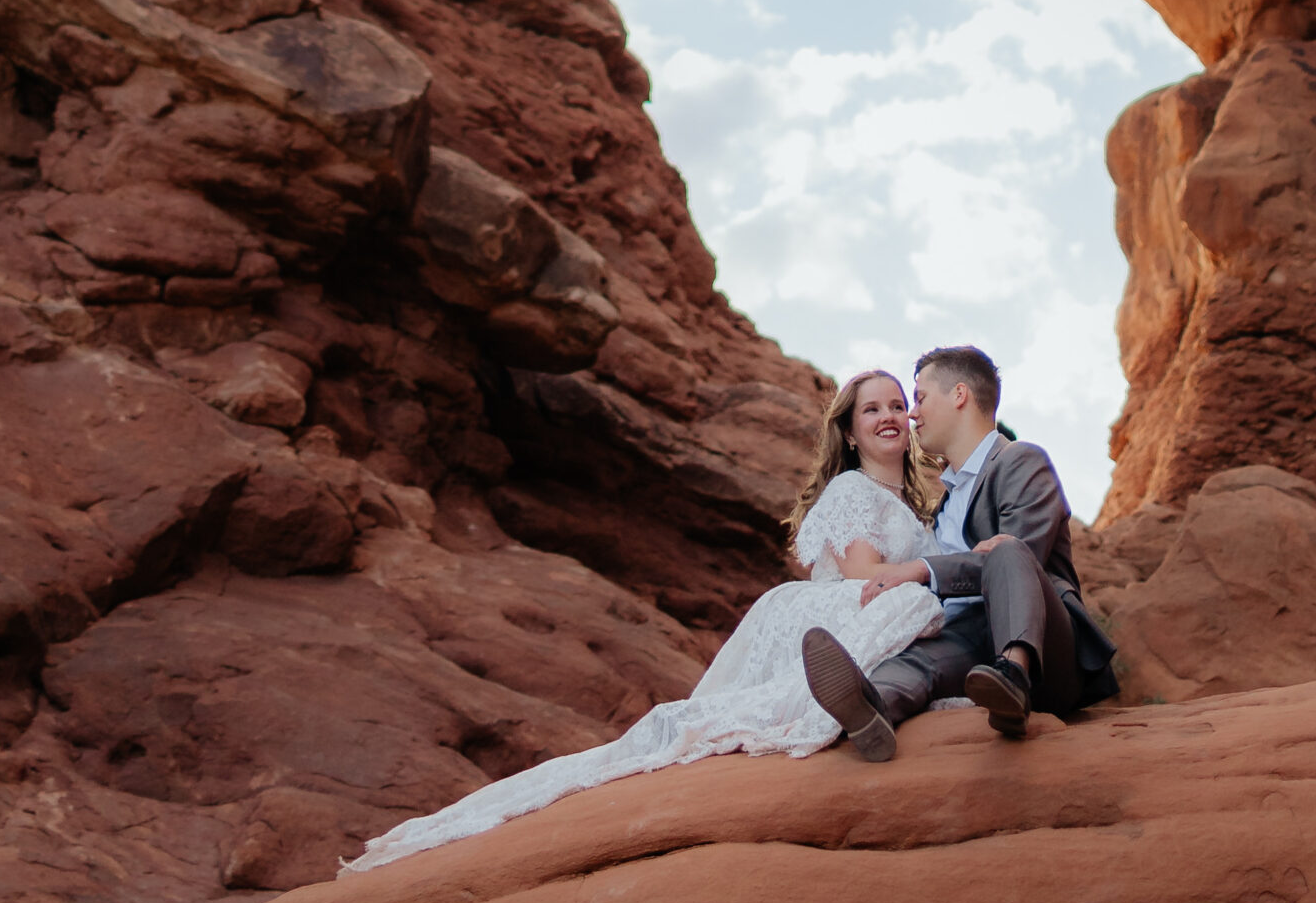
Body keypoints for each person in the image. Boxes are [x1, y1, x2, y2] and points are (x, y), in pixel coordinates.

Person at [339, 369, 947, 874]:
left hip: (863, 599)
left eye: (898, 405)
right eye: (872, 409)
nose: (889, 415)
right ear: (849, 428)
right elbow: (866, 571)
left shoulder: (913, 507)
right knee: (915, 601)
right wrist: (931, 570)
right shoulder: (850, 493)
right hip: (844, 605)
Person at [800, 345, 1117, 760]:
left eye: (919, 398)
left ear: (960, 395)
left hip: (1041, 649)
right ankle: (870, 712)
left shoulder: (1021, 460)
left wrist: (920, 569)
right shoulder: (944, 505)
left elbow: (1026, 560)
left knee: (1008, 551)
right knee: (912, 664)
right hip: (968, 639)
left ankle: (1013, 675)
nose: (912, 415)